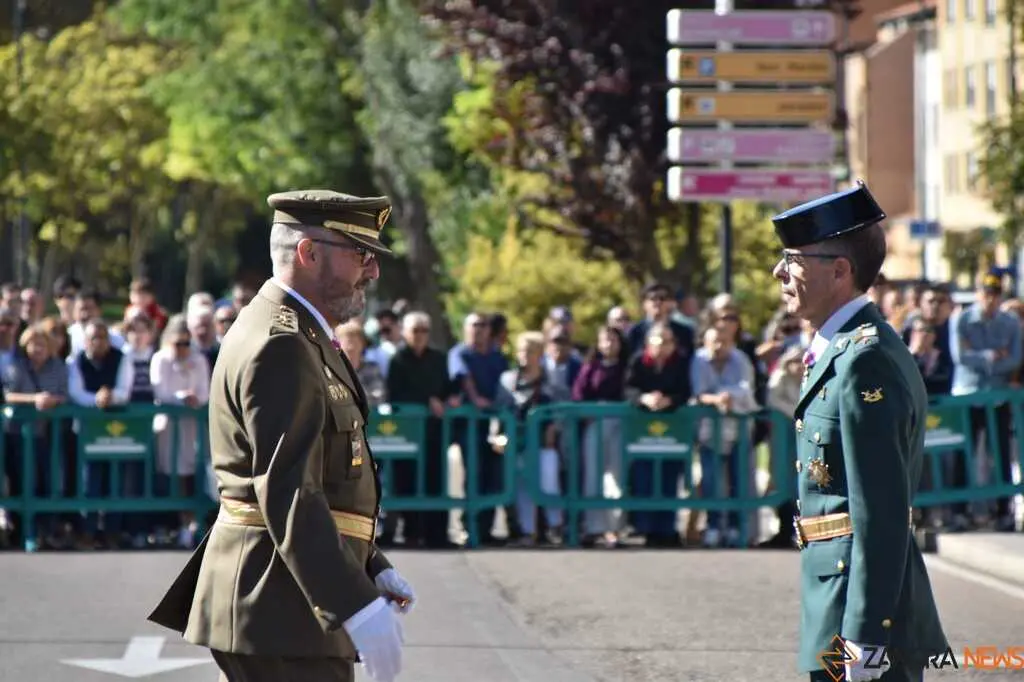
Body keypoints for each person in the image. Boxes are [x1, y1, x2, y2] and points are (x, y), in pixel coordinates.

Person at [147, 190, 415, 682]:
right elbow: (287, 489)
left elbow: (324, 477)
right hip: (281, 607)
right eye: (361, 254)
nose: (372, 271)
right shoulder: (282, 343)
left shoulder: (298, 334)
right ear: (308, 253)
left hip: (287, 603)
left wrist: (369, 563)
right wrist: (354, 603)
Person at [770, 181, 947, 682]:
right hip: (836, 597)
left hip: (858, 608)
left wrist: (867, 633)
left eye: (793, 258)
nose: (779, 272)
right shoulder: (843, 350)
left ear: (839, 270)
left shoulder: (864, 359)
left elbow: (881, 509)